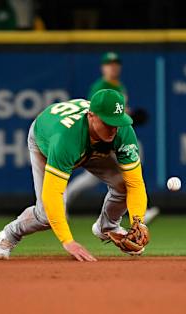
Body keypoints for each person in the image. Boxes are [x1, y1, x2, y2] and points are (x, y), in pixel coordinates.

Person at [0, 89, 148, 262]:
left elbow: (135, 183)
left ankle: (107, 227)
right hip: (44, 138)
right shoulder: (65, 138)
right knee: (46, 215)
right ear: (91, 116)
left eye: (117, 122)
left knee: (124, 184)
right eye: (108, 123)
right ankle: (9, 234)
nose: (113, 129)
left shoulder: (122, 130)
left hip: (90, 146)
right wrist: (68, 241)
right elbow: (52, 194)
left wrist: (138, 222)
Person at [66, 52, 160, 224]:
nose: (113, 67)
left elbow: (118, 113)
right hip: (105, 140)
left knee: (106, 176)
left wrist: (129, 114)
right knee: (124, 170)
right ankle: (138, 213)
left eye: (116, 64)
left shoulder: (119, 86)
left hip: (116, 136)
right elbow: (97, 114)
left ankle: (138, 212)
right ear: (103, 67)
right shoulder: (100, 86)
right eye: (109, 64)